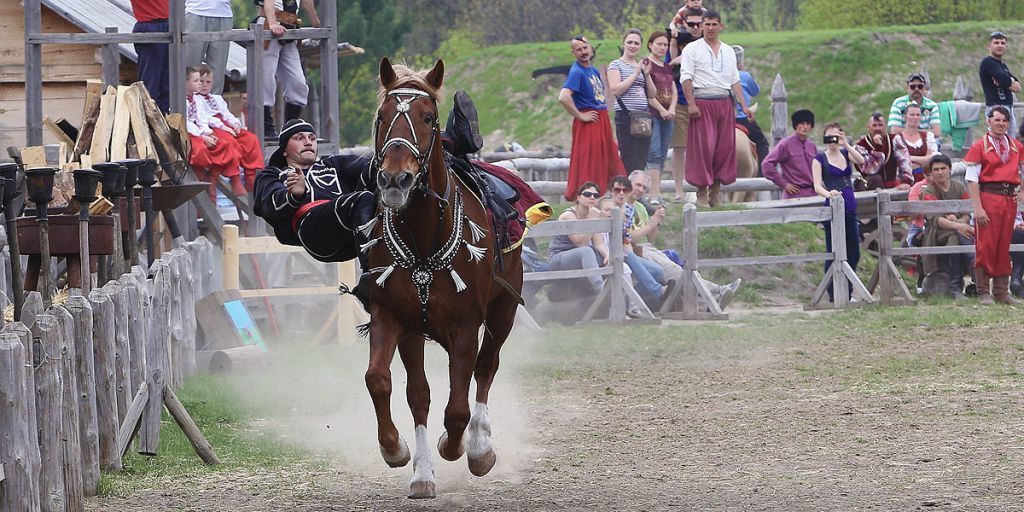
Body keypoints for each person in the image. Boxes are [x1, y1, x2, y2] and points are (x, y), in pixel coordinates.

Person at [679, 10, 752, 207]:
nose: (710, 28)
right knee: (704, 148)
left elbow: (734, 80)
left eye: (714, 24)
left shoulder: (728, 51)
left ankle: (716, 192)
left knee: (724, 148)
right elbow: (686, 77)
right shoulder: (692, 49)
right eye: (707, 24)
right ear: (702, 26)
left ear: (721, 26)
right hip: (702, 100)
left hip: (724, 101)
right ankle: (701, 192)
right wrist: (691, 103)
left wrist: (744, 107)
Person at [964, 106, 1024, 305]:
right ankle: (983, 291)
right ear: (988, 121)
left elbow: (1021, 170)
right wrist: (978, 207)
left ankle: (1001, 292)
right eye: (997, 119)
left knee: (1003, 244)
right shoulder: (979, 146)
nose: (1001, 123)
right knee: (986, 245)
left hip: (1009, 199)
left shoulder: (1016, 146)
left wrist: (1021, 191)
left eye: (1004, 120)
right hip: (989, 195)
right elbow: (972, 179)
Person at [558, 35, 625, 201]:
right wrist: (580, 115)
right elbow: (564, 97)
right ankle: (589, 195)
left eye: (585, 48)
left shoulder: (593, 70)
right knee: (591, 160)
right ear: (573, 53)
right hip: (590, 122)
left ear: (590, 48)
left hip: (601, 119)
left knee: (606, 157)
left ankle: (607, 193)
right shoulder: (577, 72)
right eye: (578, 50)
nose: (583, 52)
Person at [812, 122, 866, 300]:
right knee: (834, 251)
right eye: (829, 137)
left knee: (854, 252)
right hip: (833, 206)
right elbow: (817, 185)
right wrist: (829, 193)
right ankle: (833, 293)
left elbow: (861, 161)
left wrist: (846, 144)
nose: (832, 140)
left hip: (850, 204)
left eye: (835, 136)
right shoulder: (819, 159)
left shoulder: (845, 153)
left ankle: (847, 291)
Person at [255, 0, 321, 140]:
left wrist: (316, 22)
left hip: (289, 27)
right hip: (269, 24)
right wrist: (272, 23)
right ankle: (266, 128)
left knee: (298, 82)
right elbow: (269, 2)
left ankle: (290, 128)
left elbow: (306, 2)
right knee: (266, 79)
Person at [195, 65, 264, 193]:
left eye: (208, 82)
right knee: (229, 141)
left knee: (251, 139)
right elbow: (204, 118)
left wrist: (235, 123)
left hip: (225, 123)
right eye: (201, 81)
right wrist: (223, 127)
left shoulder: (217, 98)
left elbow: (226, 113)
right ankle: (234, 176)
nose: (204, 85)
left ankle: (251, 177)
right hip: (214, 126)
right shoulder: (195, 99)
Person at [919, 155, 973, 299]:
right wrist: (958, 226)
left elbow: (967, 212)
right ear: (931, 172)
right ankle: (956, 286)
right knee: (955, 237)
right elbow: (935, 219)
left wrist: (960, 223)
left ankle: (976, 277)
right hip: (936, 232)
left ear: (949, 169)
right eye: (936, 169)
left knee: (965, 234)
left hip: (959, 226)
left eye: (943, 168)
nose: (940, 172)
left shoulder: (959, 187)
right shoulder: (929, 191)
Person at [184, 66, 241, 201]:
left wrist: (208, 132)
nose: (200, 84)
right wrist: (202, 135)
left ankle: (222, 176)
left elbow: (202, 118)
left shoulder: (199, 100)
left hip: (202, 129)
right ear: (185, 82)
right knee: (200, 149)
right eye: (197, 81)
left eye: (205, 81)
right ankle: (201, 177)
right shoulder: (181, 100)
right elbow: (185, 121)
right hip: (189, 132)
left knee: (224, 144)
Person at [608, 175, 666, 308]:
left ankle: (629, 300)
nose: (621, 193)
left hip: (625, 251)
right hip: (608, 252)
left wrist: (656, 223)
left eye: (625, 190)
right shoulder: (606, 206)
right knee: (627, 254)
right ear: (611, 191)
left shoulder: (629, 209)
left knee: (657, 271)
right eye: (617, 190)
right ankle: (657, 291)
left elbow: (627, 238)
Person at [667, 7, 705, 202]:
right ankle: (679, 191)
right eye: (691, 24)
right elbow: (668, 65)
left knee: (704, 147)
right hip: (681, 99)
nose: (696, 27)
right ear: (684, 24)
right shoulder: (675, 41)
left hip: (705, 101)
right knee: (680, 147)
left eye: (700, 23)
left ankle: (702, 191)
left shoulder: (709, 44)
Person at [546, 182, 608, 296]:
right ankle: (600, 289)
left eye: (596, 195)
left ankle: (618, 295)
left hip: (578, 257)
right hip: (559, 257)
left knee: (607, 257)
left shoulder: (592, 215)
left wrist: (608, 255)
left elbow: (599, 243)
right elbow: (580, 242)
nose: (592, 197)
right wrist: (592, 222)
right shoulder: (569, 215)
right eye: (587, 194)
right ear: (579, 197)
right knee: (587, 250)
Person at [609, 29, 653, 174]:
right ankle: (628, 189)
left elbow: (652, 94)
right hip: (625, 115)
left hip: (643, 116)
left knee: (642, 157)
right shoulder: (616, 65)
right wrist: (635, 74)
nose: (633, 46)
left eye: (636, 43)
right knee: (628, 156)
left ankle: (638, 191)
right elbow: (616, 90)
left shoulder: (641, 67)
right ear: (624, 44)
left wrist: (646, 75)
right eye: (630, 42)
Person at [627, 170, 683, 284]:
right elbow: (630, 238)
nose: (641, 190)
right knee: (677, 272)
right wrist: (651, 224)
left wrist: (657, 221)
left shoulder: (641, 207)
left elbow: (651, 239)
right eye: (638, 185)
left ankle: (713, 293)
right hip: (634, 250)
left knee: (678, 268)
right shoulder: (621, 206)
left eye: (644, 188)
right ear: (628, 183)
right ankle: (714, 292)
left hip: (647, 247)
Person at [644, 30, 676, 201]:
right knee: (654, 152)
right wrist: (662, 110)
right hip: (652, 114)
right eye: (659, 44)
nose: (662, 48)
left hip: (668, 115)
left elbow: (673, 89)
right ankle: (653, 193)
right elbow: (646, 93)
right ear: (651, 45)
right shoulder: (646, 64)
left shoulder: (667, 67)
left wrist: (671, 109)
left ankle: (658, 191)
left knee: (663, 152)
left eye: (665, 45)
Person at [762, 109, 818, 199]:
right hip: (794, 195)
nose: (805, 127)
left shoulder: (812, 146)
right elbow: (766, 165)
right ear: (796, 125)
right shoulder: (785, 144)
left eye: (808, 124)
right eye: (802, 123)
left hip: (812, 194)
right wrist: (784, 184)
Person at [184, 0, 234, 95]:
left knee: (218, 70)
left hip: (224, 13)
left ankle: (213, 104)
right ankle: (187, 105)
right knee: (190, 67)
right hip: (195, 11)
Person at [855, 112, 913, 191]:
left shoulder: (895, 139)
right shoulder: (860, 146)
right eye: (874, 125)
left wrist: (906, 181)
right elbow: (871, 169)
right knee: (875, 178)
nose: (877, 128)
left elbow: (904, 160)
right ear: (868, 127)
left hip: (891, 183)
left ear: (885, 126)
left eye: (880, 125)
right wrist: (879, 146)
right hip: (869, 185)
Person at [130, 0, 170, 112]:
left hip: (170, 23)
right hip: (150, 23)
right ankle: (147, 118)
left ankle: (166, 117)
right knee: (151, 79)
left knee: (168, 78)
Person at [979, 31, 1021, 137]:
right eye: (996, 42)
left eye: (1002, 43)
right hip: (995, 108)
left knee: (1010, 143)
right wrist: (1007, 82)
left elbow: (1017, 87)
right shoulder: (988, 62)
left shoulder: (1002, 65)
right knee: (998, 140)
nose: (1000, 46)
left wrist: (1006, 81)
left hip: (1008, 107)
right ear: (989, 46)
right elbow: (1006, 81)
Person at [733, 46, 769, 164]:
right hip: (743, 118)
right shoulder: (745, 76)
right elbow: (755, 91)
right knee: (762, 142)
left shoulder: (720, 75)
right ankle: (763, 174)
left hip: (724, 119)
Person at [892, 102, 938, 182]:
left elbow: (933, 160)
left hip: (927, 179)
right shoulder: (897, 138)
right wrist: (924, 161)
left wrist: (909, 158)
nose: (915, 117)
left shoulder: (928, 136)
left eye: (918, 115)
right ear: (905, 117)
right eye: (912, 114)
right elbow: (899, 165)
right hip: (905, 181)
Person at [887, 73, 942, 137]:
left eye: (920, 86)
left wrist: (910, 131)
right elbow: (895, 131)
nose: (916, 89)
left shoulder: (932, 105)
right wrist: (926, 132)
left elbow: (937, 132)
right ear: (907, 88)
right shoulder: (898, 103)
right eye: (913, 87)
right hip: (904, 140)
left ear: (924, 88)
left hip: (927, 141)